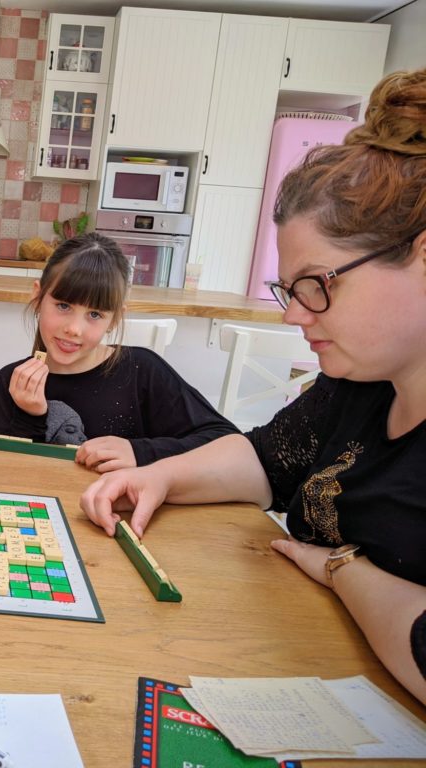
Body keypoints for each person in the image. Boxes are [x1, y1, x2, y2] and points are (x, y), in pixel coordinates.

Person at [80, 69, 426, 705]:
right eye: (289, 289)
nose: (295, 314)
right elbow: (266, 460)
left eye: (318, 283)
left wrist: (340, 568)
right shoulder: (364, 382)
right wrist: (162, 477)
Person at [0, 233, 236, 472]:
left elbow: (225, 442)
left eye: (94, 314)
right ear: (38, 296)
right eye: (63, 305)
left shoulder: (141, 371)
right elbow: (3, 475)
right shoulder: (10, 381)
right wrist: (30, 415)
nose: (74, 329)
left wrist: (137, 451)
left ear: (115, 319)